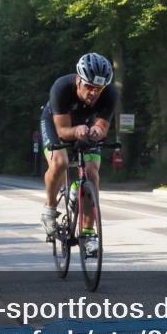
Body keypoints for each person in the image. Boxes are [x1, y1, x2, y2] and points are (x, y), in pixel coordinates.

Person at [39, 52, 118, 256]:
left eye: (98, 89)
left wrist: (98, 131)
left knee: (92, 173)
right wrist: (76, 132)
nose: (93, 93)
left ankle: (89, 233)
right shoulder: (61, 88)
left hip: (86, 124)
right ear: (78, 80)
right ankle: (49, 211)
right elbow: (63, 130)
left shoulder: (110, 94)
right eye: (89, 87)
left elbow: (102, 124)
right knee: (60, 161)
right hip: (58, 123)